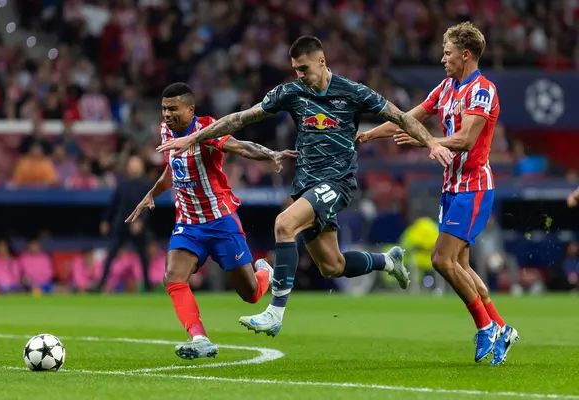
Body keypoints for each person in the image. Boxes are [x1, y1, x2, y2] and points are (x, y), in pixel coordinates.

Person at [156, 36, 453, 337]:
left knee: (284, 224)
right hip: (306, 185)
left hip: (337, 182)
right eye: (296, 70)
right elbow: (240, 118)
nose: (301, 76)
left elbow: (401, 117)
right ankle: (388, 261)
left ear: (322, 61)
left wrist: (431, 142)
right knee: (332, 265)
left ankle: (275, 312)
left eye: (304, 69)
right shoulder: (291, 92)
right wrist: (194, 138)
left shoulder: (352, 92)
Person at [356, 22, 518, 365]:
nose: (442, 59)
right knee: (460, 264)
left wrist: (426, 140)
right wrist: (369, 134)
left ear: (465, 54)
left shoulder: (482, 90)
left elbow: (466, 140)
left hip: (474, 186)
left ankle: (485, 326)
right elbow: (405, 118)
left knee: (441, 260)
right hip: (451, 188)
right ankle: (502, 328)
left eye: (447, 53)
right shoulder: (445, 88)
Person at [126, 82, 298, 360]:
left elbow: (240, 147)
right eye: (163, 108)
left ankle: (265, 271)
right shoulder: (165, 131)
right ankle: (200, 338)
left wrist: (271, 154)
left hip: (221, 222)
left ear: (190, 108)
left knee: (251, 294)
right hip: (188, 225)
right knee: (172, 277)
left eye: (173, 108)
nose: (167, 114)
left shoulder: (207, 129)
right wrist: (151, 193)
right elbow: (173, 169)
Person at [96, 156, 152, 292]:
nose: (134, 167)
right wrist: (106, 220)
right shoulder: (122, 185)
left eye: (137, 164)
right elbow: (113, 204)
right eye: (132, 164)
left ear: (142, 168)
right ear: (128, 168)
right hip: (121, 224)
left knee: (143, 256)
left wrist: (141, 221)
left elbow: (149, 206)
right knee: (111, 255)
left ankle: (148, 286)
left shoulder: (147, 184)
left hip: (138, 226)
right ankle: (101, 284)